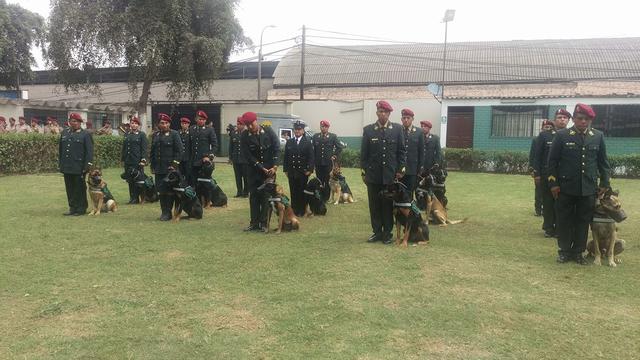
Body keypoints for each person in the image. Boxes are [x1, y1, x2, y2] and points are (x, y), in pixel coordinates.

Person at [547, 103, 611, 264]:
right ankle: (564, 251)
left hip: (588, 188)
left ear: (590, 120)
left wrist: (604, 182)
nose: (583, 122)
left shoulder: (597, 136)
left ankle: (578, 252)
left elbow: (603, 162)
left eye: (587, 119)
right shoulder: (562, 135)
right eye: (580, 118)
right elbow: (552, 162)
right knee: (564, 220)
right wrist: (553, 184)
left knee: (582, 222)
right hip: (565, 187)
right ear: (574, 119)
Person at [361, 100, 406, 244]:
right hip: (373, 175)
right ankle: (377, 232)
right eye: (380, 111)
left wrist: (400, 169)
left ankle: (387, 233)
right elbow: (364, 154)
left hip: (389, 175)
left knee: (387, 205)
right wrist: (364, 172)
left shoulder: (397, 129)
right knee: (374, 205)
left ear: (389, 114)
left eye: (386, 112)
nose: (383, 114)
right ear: (377, 113)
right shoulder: (368, 130)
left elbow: (401, 151)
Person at [239, 111, 280, 231]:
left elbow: (277, 148)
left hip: (270, 170)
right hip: (254, 170)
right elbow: (247, 155)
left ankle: (264, 223)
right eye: (248, 125)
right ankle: (254, 223)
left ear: (256, 121)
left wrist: (275, 165)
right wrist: (260, 167)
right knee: (254, 196)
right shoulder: (245, 135)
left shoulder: (268, 131)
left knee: (266, 197)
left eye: (252, 124)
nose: (250, 127)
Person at [533, 110, 571, 237]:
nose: (562, 120)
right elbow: (537, 156)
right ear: (555, 120)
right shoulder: (545, 135)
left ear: (568, 120)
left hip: (565, 175)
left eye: (565, 118)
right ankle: (549, 228)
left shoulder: (571, 135)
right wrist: (537, 173)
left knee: (562, 203)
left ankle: (560, 228)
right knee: (548, 202)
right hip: (547, 174)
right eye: (559, 117)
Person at [59, 112, 93, 216]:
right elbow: (61, 150)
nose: (72, 123)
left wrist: (87, 165)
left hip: (79, 166)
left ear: (79, 123)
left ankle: (81, 208)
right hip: (67, 166)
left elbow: (89, 151)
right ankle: (72, 208)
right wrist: (61, 164)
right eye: (71, 121)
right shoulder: (65, 133)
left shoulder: (85, 134)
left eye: (75, 121)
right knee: (70, 188)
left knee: (80, 188)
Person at [150, 113, 183, 221]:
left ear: (169, 124)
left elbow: (180, 151)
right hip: (159, 168)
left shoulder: (174, 134)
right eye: (162, 123)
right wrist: (152, 165)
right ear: (159, 124)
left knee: (169, 191)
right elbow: (153, 152)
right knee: (161, 191)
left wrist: (174, 165)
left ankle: (168, 212)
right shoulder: (156, 135)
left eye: (166, 123)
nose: (164, 125)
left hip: (170, 169)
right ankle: (164, 211)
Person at [283, 120, 315, 217]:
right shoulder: (290, 142)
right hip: (292, 171)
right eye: (295, 129)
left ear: (303, 131)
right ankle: (294, 210)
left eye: (299, 129)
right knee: (293, 191)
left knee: (301, 191)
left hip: (302, 172)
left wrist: (309, 170)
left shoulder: (307, 142)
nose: (297, 131)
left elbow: (311, 157)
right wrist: (285, 170)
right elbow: (286, 157)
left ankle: (302, 210)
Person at [312, 119, 343, 202]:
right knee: (319, 180)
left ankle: (327, 197)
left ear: (328, 128)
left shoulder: (333, 136)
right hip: (318, 163)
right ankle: (320, 197)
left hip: (328, 163)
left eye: (325, 127)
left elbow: (339, 147)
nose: (323, 128)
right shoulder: (315, 136)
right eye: (322, 126)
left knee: (328, 181)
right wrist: (313, 161)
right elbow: (313, 149)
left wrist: (334, 155)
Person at [121, 116, 148, 204]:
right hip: (128, 161)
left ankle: (142, 198)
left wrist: (143, 160)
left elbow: (144, 149)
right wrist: (122, 159)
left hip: (137, 161)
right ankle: (133, 198)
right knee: (130, 180)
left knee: (139, 181)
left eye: (136, 123)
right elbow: (124, 148)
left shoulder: (142, 135)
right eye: (132, 123)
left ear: (138, 125)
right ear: (130, 125)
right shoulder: (127, 134)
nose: (134, 125)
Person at [189, 110, 217, 186]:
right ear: (196, 119)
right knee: (192, 182)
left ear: (205, 120)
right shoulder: (191, 129)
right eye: (200, 119)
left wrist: (209, 157)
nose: (201, 121)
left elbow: (214, 145)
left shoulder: (209, 130)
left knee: (204, 184)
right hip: (192, 160)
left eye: (203, 119)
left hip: (203, 160)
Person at [399, 109, 424, 193]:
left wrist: (420, 168)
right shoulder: (397, 131)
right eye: (404, 117)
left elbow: (421, 151)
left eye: (408, 118)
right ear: (401, 119)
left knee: (410, 192)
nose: (406, 120)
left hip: (412, 168)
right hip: (399, 169)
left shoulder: (419, 132)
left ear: (412, 119)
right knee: (398, 192)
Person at [229, 116, 249, 197]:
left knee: (246, 177)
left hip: (245, 160)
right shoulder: (234, 133)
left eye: (240, 124)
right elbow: (231, 147)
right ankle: (239, 192)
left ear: (244, 125)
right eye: (237, 124)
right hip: (236, 159)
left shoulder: (247, 133)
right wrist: (230, 158)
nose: (238, 125)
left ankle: (246, 192)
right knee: (238, 177)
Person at [529, 127, 544, 217]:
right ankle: (538, 209)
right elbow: (533, 155)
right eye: (546, 127)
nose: (548, 129)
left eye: (550, 127)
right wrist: (532, 169)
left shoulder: (554, 138)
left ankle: (545, 209)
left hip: (548, 170)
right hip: (538, 169)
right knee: (538, 190)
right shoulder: (536, 140)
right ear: (542, 129)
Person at [178, 117, 192, 182]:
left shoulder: (191, 133)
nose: (184, 125)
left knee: (188, 174)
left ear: (188, 124)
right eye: (183, 123)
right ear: (181, 124)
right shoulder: (178, 133)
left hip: (188, 158)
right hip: (179, 158)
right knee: (179, 173)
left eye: (185, 123)